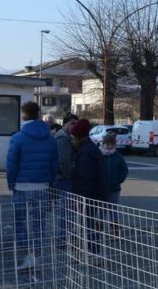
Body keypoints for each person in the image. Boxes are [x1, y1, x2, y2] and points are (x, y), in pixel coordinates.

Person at [6, 101, 58, 273]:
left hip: (21, 185)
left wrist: (11, 182)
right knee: (39, 223)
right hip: (42, 185)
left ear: (23, 115)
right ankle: (36, 255)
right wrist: (50, 184)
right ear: (38, 114)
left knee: (19, 222)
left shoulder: (17, 138)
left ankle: (28, 253)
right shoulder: (50, 139)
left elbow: (12, 164)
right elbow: (54, 165)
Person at [70, 119, 107, 258]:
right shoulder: (90, 149)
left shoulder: (85, 152)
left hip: (89, 195)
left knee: (88, 224)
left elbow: (86, 177)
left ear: (79, 136)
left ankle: (92, 252)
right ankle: (91, 250)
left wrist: (79, 196)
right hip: (95, 193)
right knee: (89, 223)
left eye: (74, 137)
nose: (72, 140)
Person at [100, 133, 129, 234]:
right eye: (107, 144)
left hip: (114, 187)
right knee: (101, 209)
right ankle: (98, 228)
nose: (109, 146)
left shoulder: (118, 156)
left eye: (111, 144)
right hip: (101, 187)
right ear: (103, 144)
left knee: (113, 209)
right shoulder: (99, 155)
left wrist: (118, 180)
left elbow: (124, 170)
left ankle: (115, 228)